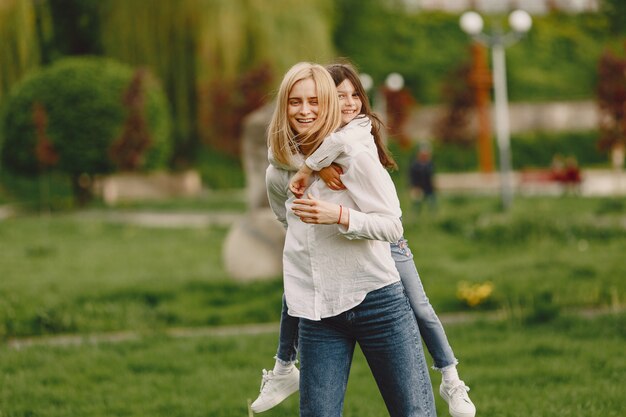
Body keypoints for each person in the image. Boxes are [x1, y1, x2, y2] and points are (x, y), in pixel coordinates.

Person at [252, 62, 475, 417]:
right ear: (284, 107)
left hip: (378, 302)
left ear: (329, 104)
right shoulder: (278, 173)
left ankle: (451, 377)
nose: (305, 110)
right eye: (295, 102)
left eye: (314, 101)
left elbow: (392, 226)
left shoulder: (354, 155)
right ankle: (282, 369)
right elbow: (289, 225)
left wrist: (338, 217)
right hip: (318, 314)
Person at [409, 144, 437, 212]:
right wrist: (414, 187)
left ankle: (433, 217)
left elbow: (431, 176)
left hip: (429, 188)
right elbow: (412, 177)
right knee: (417, 205)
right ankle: (416, 218)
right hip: (418, 188)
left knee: (432, 204)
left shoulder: (430, 164)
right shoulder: (415, 165)